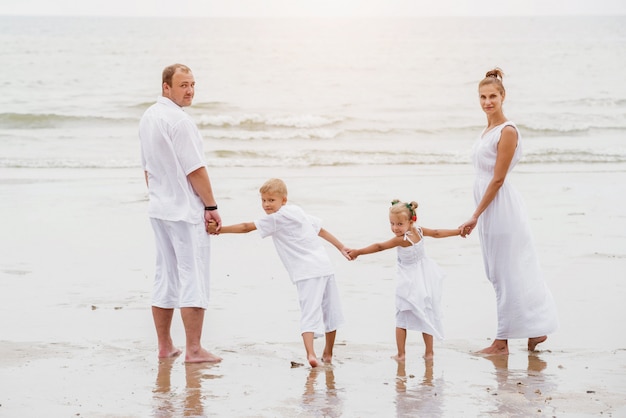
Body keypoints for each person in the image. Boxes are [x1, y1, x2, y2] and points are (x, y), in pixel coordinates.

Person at [459, 68, 558, 355]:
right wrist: (478, 212)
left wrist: (475, 215)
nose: (487, 101)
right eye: (482, 97)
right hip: (490, 207)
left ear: (503, 97)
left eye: (493, 96)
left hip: (500, 208)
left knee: (505, 271)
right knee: (498, 271)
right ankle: (536, 329)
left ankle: (502, 342)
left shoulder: (507, 131)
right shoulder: (487, 130)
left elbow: (498, 179)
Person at [207, 178, 348, 367]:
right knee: (331, 310)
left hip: (307, 272)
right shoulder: (297, 211)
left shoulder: (275, 219)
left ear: (284, 200)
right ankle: (328, 354)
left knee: (309, 311)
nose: (266, 205)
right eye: (263, 200)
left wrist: (219, 230)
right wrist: (341, 247)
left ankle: (311, 355)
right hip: (324, 266)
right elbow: (320, 230)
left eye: (271, 200)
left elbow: (246, 227)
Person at [139, 63, 222, 363]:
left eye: (192, 84)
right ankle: (194, 350)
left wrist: (159, 196)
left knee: (166, 275)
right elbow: (195, 170)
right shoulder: (179, 121)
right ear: (166, 87)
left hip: (159, 209)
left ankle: (165, 346)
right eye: (183, 85)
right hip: (184, 211)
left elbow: (147, 168)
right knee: (193, 277)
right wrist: (211, 207)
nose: (189, 90)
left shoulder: (149, 116)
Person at [346, 200, 461, 360]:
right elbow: (436, 233)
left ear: (411, 221)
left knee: (401, 316)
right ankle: (429, 352)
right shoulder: (419, 231)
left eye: (399, 224)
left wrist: (358, 252)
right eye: (392, 223)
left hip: (409, 281)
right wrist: (458, 231)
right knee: (426, 313)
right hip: (425, 277)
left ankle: (401, 354)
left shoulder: (403, 239)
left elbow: (380, 246)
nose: (395, 228)